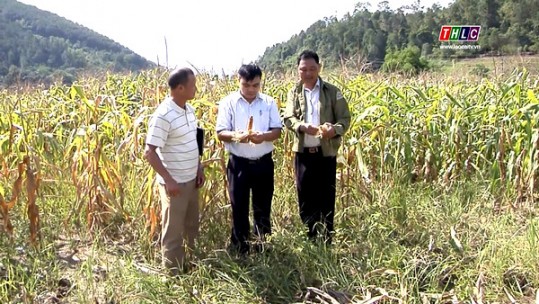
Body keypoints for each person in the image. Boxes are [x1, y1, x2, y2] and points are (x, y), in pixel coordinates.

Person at [283, 50, 351, 244]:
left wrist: (334, 130)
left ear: (319, 68)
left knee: (326, 195)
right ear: (298, 70)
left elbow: (345, 119)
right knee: (305, 195)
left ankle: (327, 236)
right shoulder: (294, 93)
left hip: (325, 153)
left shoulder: (332, 91)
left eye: (312, 68)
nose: (308, 73)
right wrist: (302, 126)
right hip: (304, 153)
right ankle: (311, 235)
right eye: (303, 69)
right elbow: (288, 118)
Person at [144, 67, 205, 275]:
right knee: (173, 231)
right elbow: (149, 152)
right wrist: (168, 180)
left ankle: (193, 267)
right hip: (175, 184)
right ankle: (173, 274)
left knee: (191, 226)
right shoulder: (163, 115)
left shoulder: (189, 110)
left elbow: (194, 141)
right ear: (180, 88)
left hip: (191, 179)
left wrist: (199, 167)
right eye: (192, 85)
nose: (195, 88)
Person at [216, 64, 282, 255]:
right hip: (239, 163)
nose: (251, 90)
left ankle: (263, 247)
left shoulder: (268, 103)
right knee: (239, 207)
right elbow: (220, 132)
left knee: (263, 206)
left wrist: (263, 137)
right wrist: (238, 136)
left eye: (255, 85)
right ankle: (240, 249)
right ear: (239, 81)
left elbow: (277, 130)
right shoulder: (228, 103)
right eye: (246, 85)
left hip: (263, 162)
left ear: (260, 83)